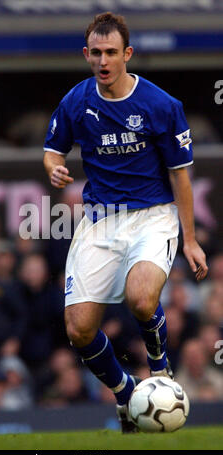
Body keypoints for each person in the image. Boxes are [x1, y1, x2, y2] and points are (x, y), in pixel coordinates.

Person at [43, 12, 208, 433]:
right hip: (99, 221)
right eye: (95, 53)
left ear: (127, 54)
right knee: (79, 330)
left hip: (153, 217)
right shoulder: (77, 101)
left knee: (140, 298)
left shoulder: (161, 105)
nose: (103, 61)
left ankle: (161, 375)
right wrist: (54, 167)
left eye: (111, 53)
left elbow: (180, 175)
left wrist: (189, 240)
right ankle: (126, 393)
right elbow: (53, 149)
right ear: (86, 54)